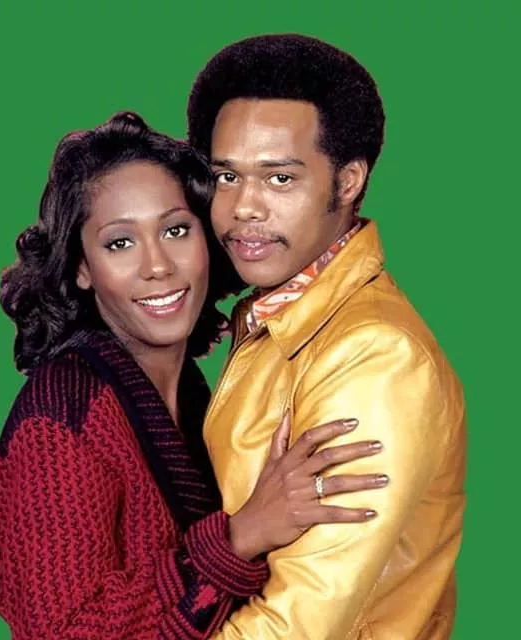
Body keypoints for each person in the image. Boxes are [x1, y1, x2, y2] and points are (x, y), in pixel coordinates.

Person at [0, 112, 389, 639]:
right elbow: (63, 631)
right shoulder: (63, 414)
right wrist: (239, 538)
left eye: (175, 230)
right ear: (82, 268)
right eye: (120, 243)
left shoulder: (195, 393)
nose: (158, 266)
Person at [186, 34, 467, 639]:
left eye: (279, 179)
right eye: (226, 176)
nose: (243, 207)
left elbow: (299, 627)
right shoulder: (279, 313)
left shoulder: (376, 357)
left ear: (347, 181)